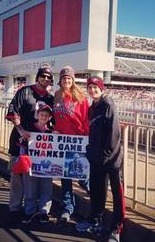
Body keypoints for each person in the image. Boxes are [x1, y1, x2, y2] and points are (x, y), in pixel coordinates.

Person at [76, 76, 125, 242]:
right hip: (96, 158)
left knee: (117, 196)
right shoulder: (92, 107)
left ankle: (116, 229)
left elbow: (114, 133)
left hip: (112, 160)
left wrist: (106, 154)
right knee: (97, 192)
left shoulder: (108, 104)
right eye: (89, 87)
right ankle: (95, 221)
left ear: (101, 88)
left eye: (95, 87)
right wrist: (91, 151)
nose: (92, 90)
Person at [5, 67, 54, 224]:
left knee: (34, 176)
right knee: (17, 175)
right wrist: (21, 130)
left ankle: (32, 209)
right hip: (20, 141)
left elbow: (53, 122)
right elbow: (13, 112)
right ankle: (14, 207)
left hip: (40, 145)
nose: (45, 79)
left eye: (48, 77)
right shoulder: (24, 92)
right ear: (38, 77)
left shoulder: (50, 98)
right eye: (43, 76)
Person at [53, 66, 89, 222]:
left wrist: (87, 139)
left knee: (82, 176)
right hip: (62, 142)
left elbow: (87, 120)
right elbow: (55, 118)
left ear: (73, 80)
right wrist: (54, 129)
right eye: (64, 78)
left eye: (69, 78)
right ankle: (68, 208)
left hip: (78, 142)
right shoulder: (56, 95)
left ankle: (96, 199)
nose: (66, 80)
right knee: (65, 177)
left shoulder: (80, 97)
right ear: (60, 81)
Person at [22, 103, 54, 224]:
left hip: (47, 165)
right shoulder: (29, 129)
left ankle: (44, 212)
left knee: (46, 188)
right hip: (31, 163)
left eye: (46, 115)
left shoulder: (51, 131)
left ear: (49, 117)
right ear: (37, 115)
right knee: (30, 188)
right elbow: (23, 146)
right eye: (42, 114)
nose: (44, 117)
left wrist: (56, 136)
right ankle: (29, 211)